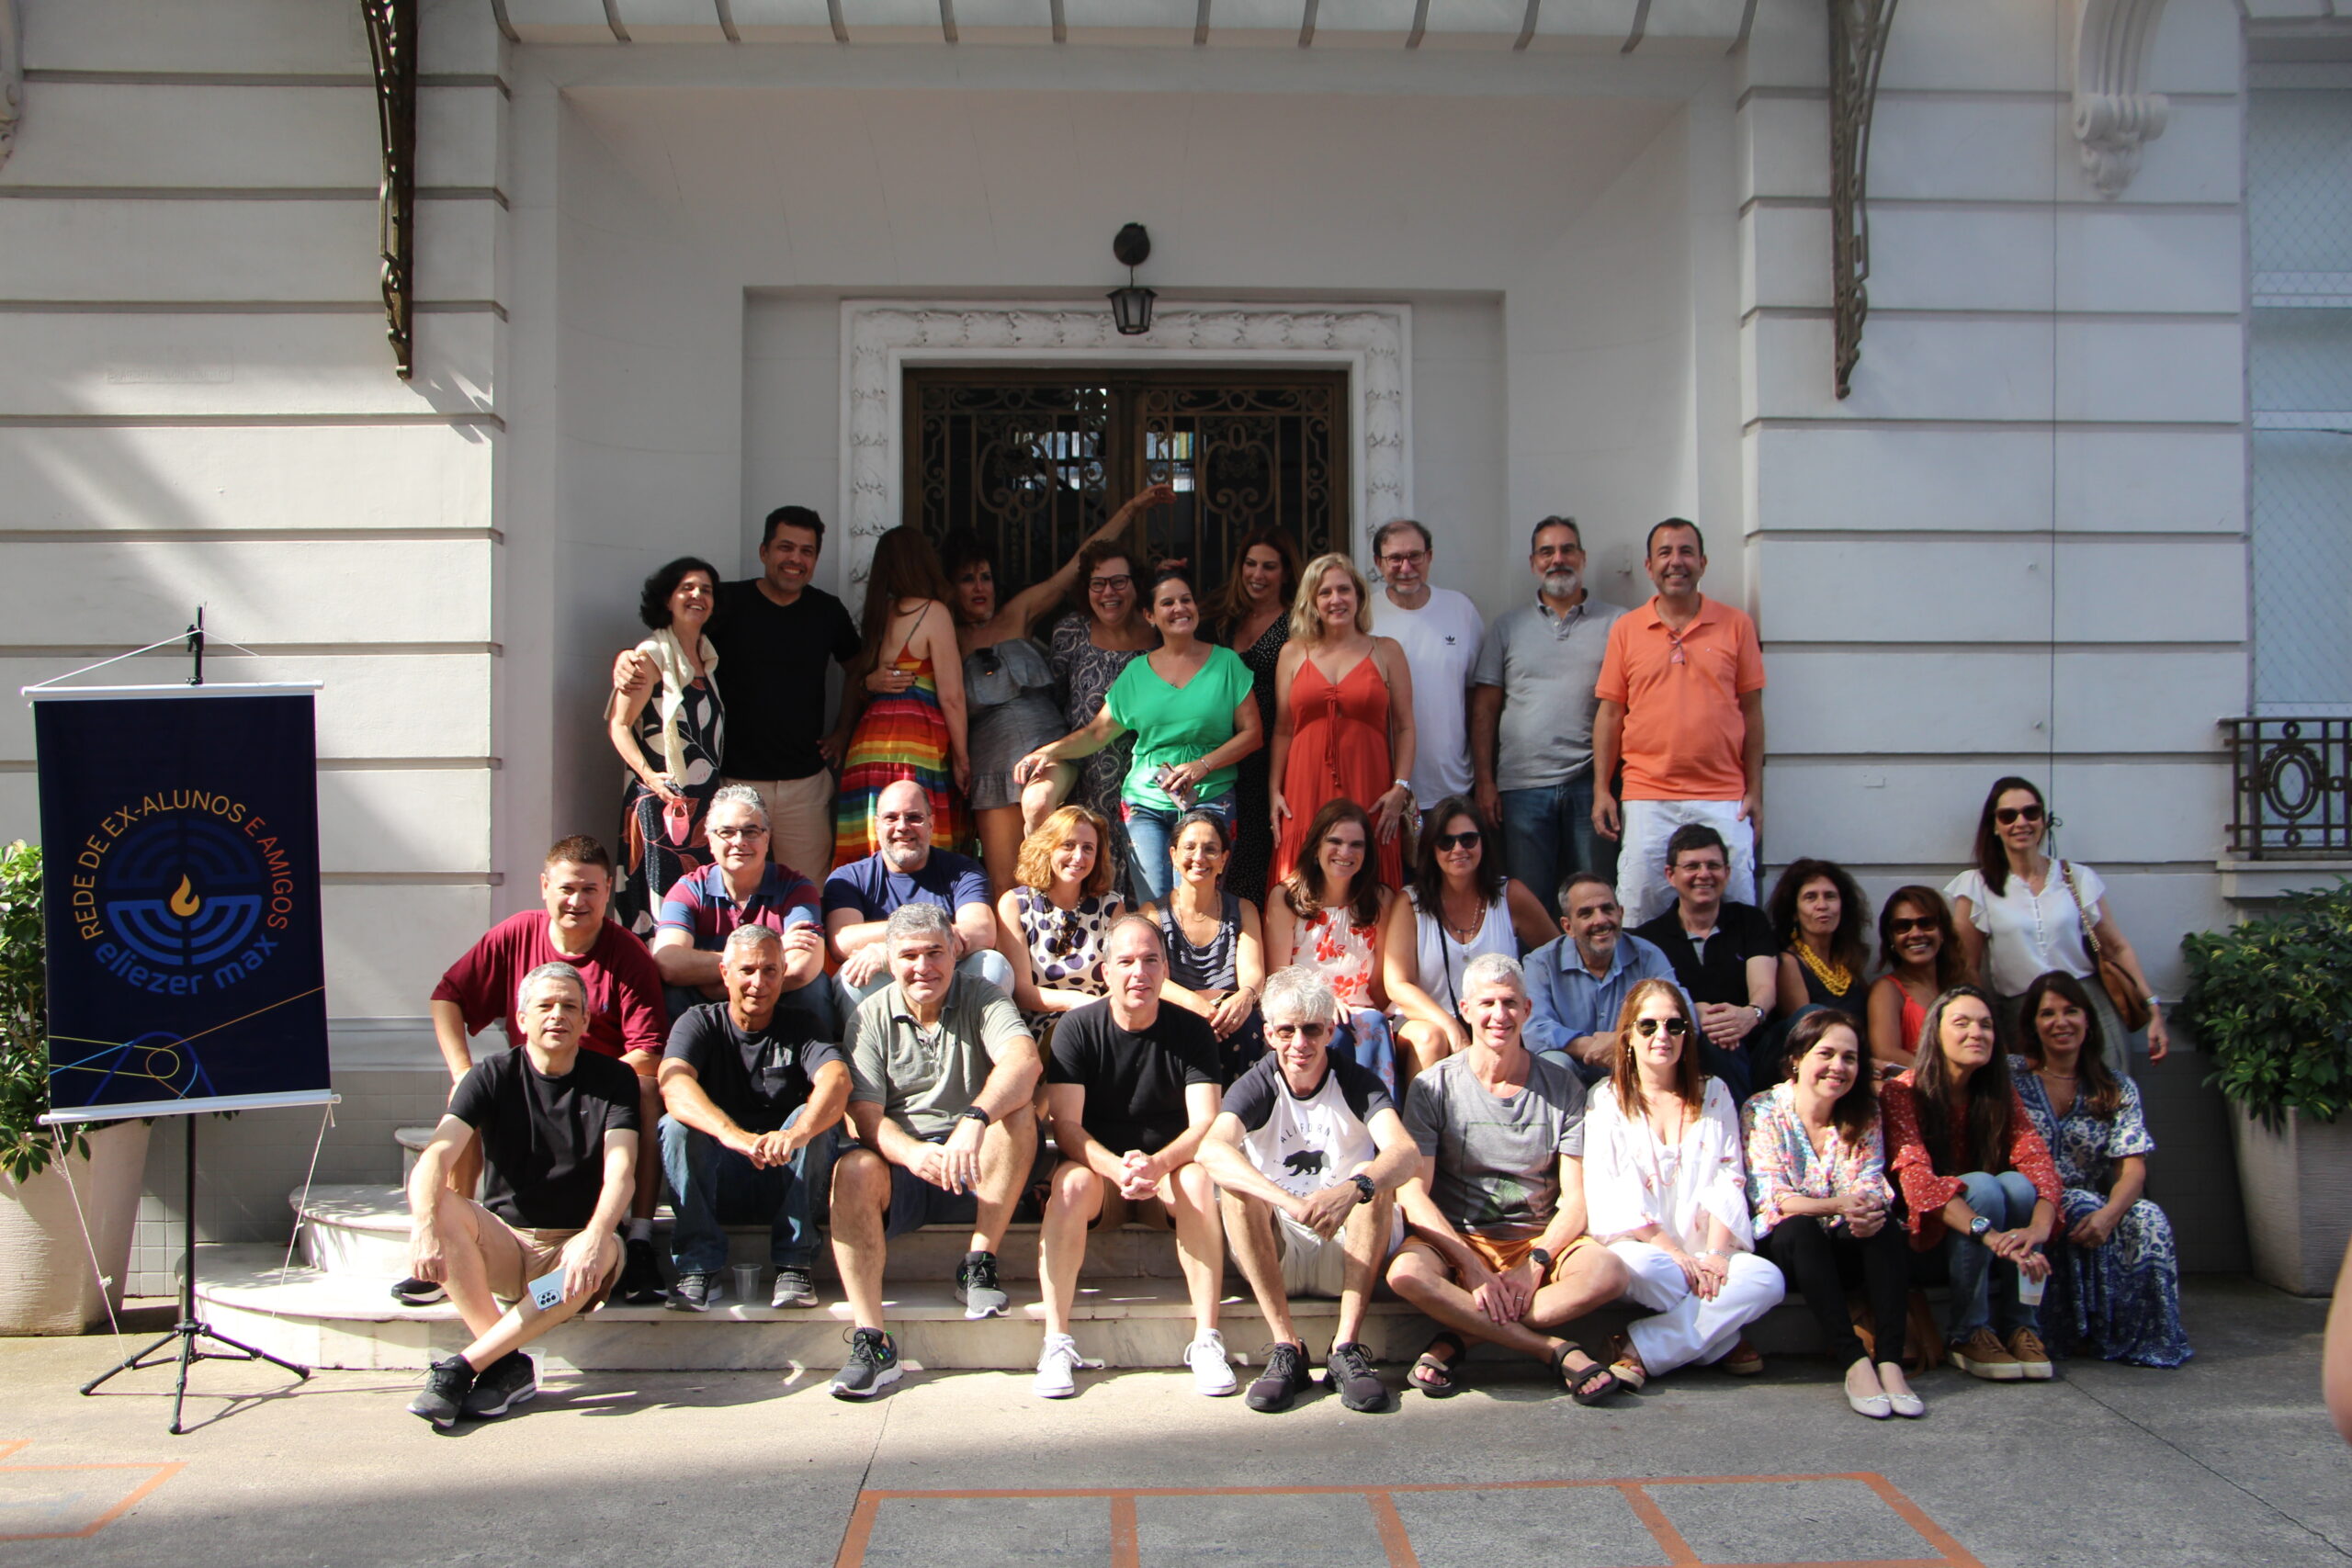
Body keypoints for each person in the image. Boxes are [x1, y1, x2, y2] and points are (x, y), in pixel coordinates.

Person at [420, 836, 667, 1309]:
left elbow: (648, 1051)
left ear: (608, 889)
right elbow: (447, 997)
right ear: (545, 887)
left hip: (599, 1094)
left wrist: (586, 1085)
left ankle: (637, 1240)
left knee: (646, 1091)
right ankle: (455, 1245)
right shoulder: (514, 934)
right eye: (567, 888)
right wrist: (463, 1072)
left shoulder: (628, 953)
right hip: (525, 1085)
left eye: (590, 889)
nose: (578, 901)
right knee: (466, 1097)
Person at [1385, 953, 1629, 1401]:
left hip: (1537, 1239)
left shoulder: (1563, 1087)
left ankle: (1459, 1338)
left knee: (1609, 1273)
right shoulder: (1434, 1086)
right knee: (1405, 1274)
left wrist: (1535, 1264)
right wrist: (1470, 1264)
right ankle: (1551, 1349)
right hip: (1461, 1239)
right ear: (1465, 1009)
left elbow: (1575, 1200)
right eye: (1488, 1003)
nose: (1500, 1015)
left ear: (1527, 1009)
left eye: (1511, 1003)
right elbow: (1414, 1194)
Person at [403, 964, 639, 1427]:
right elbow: (436, 1156)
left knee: (604, 1249)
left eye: (570, 1006)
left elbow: (622, 1171)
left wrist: (595, 1236)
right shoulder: (489, 1075)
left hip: (570, 1253)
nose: (557, 1015)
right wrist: (423, 1227)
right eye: (545, 1006)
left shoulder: (614, 1079)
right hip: (505, 1244)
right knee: (441, 1203)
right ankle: (506, 1365)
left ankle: (465, 1366)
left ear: (586, 1021)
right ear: (522, 1018)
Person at [828, 904, 1043, 1398]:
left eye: (934, 953)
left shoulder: (982, 996)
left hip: (978, 1165)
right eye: (908, 956)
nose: (923, 966)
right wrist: (910, 1153)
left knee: (1018, 1114)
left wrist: (975, 1118)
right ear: (889, 961)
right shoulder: (869, 1016)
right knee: (853, 1169)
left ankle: (978, 1263)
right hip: (906, 1168)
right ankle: (872, 1342)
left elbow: (1024, 1061)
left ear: (954, 952)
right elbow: (863, 1115)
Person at [1195, 966, 1419, 1414]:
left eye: (1312, 1029)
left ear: (1330, 1031)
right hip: (1281, 1246)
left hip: (1348, 1244)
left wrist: (1352, 1189)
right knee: (1237, 1189)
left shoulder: (1357, 1081)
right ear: (1269, 1035)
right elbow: (1210, 1150)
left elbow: (1406, 1152)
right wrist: (1290, 1203)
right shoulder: (1257, 1084)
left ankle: (1346, 1349)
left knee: (1373, 1180)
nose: (1300, 1043)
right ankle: (1287, 1348)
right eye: (1287, 1031)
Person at [1035, 918, 1230, 1399]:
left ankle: (1207, 1339)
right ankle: (1056, 1342)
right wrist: (1116, 1168)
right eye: (1125, 962)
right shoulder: (1076, 1028)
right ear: (1106, 971)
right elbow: (1066, 1126)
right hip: (1102, 1177)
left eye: (1149, 960)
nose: (1138, 972)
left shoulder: (1192, 1031)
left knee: (1198, 1181)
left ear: (1166, 970)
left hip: (1169, 1174)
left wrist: (1158, 1166)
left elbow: (1206, 1123)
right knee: (1069, 1185)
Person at [944, 485, 1171, 892]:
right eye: (967, 580)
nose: (979, 588)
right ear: (950, 588)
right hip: (992, 761)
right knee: (1007, 882)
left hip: (1055, 749)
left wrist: (1132, 509)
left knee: (1060, 841)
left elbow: (1076, 568)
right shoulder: (948, 637)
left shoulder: (1017, 614)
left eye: (986, 577)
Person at [616, 507, 861, 884]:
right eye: (785, 547)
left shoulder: (827, 611)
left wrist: (843, 731)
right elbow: (675, 640)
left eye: (807, 551)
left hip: (805, 786)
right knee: (730, 889)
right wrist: (626, 658)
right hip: (730, 782)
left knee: (808, 891)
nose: (795, 559)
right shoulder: (727, 603)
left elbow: (858, 669)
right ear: (764, 551)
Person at [1015, 565, 1261, 904]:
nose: (1179, 608)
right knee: (1155, 906)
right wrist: (1049, 752)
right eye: (1167, 603)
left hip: (1210, 796)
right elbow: (1097, 733)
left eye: (1186, 600)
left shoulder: (1226, 663)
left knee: (1199, 902)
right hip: (1146, 803)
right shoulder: (1136, 674)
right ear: (1149, 615)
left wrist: (1202, 765)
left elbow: (1253, 734)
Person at [1585, 979, 1786, 1390]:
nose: (1662, 1036)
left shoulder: (1715, 1093)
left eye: (1674, 1026)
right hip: (1647, 1250)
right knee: (1640, 1268)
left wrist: (1716, 1255)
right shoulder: (1605, 1099)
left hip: (1707, 1248)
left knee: (1767, 1279)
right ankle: (1721, 1341)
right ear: (1628, 1037)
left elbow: (1729, 1177)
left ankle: (1638, 1347)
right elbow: (1612, 1190)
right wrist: (1675, 1254)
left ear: (1687, 1035)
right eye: (1648, 1026)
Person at [657, 926, 850, 1312]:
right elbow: (672, 1083)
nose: (758, 983)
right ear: (725, 973)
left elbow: (837, 1080)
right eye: (747, 970)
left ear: (783, 973)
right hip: (720, 1175)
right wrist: (732, 1135)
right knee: (675, 1126)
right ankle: (698, 1266)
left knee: (813, 1118)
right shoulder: (698, 1022)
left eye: (770, 971)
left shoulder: (802, 1025)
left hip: (788, 1175)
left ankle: (794, 1264)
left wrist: (798, 1132)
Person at [1743, 1010, 1922, 1418]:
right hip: (1790, 1250)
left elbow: (1870, 1180)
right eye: (1826, 1054)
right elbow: (1773, 1197)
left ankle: (1890, 1363)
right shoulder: (1763, 1109)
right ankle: (1855, 1362)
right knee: (1800, 1229)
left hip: (1842, 1243)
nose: (1838, 1067)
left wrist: (1866, 1210)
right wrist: (1840, 1205)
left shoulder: (1865, 1112)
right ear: (1797, 1059)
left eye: (1850, 1058)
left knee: (1882, 1227)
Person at [1882, 986, 2063, 1382]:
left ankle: (2022, 1328)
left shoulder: (1998, 1092)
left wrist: (2037, 1228)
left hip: (1995, 1237)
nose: (1976, 1033)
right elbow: (1917, 1183)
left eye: (1985, 1025)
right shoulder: (1903, 1091)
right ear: (1935, 1033)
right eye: (1961, 1023)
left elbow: (2038, 1161)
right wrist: (1990, 1235)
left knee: (2020, 1186)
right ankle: (1967, 1332)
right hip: (1928, 1238)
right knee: (1981, 1185)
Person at [1591, 519, 1766, 927]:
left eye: (1686, 552)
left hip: (1723, 796)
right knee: (1638, 912)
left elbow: (1752, 712)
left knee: (1737, 911)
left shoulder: (1736, 625)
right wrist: (1602, 789)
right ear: (1649, 566)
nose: (1676, 562)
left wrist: (1756, 789)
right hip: (1648, 795)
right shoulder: (1627, 629)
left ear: (1703, 563)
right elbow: (1610, 714)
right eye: (1665, 553)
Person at [2013, 970, 2189, 1367]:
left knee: (2148, 1217)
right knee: (2079, 1205)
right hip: (2028, 1198)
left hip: (2092, 1199)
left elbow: (2132, 1168)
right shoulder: (2012, 1078)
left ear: (2088, 1020)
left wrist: (2111, 1215)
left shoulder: (2116, 1087)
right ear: (2033, 1024)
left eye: (2071, 1011)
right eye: (2048, 1013)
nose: (2061, 1022)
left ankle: (2142, 1334)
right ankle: (2076, 1330)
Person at [1945, 775, 2171, 1065]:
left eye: (2031, 812)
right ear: (1995, 826)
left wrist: (2152, 1007)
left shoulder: (2076, 877)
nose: (2021, 822)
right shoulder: (1977, 886)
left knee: (2106, 1088)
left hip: (2085, 1006)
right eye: (2008, 816)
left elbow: (2115, 947)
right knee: (2034, 1092)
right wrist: (1986, 1024)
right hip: (2022, 1012)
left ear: (2043, 820)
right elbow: (1967, 967)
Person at [1471, 516, 1625, 916]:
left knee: (1595, 899)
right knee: (1529, 904)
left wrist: (1606, 786)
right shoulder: (1508, 627)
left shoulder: (1618, 624)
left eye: (1567, 549)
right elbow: (1485, 709)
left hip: (1591, 785)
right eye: (1547, 551)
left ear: (1583, 557)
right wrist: (1485, 782)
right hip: (1522, 788)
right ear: (1533, 562)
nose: (1558, 559)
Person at [1381, 795, 1555, 1081]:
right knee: (1430, 1039)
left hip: (1497, 1018)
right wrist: (1451, 1026)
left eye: (1468, 839)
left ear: (1483, 843)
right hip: (1428, 1019)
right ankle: (1423, 1112)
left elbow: (1555, 956)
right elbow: (1397, 984)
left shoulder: (1510, 895)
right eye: (1446, 842)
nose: (1458, 849)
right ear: (1432, 849)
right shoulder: (1410, 903)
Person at [1269, 553, 1415, 889]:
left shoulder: (1386, 651)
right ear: (1312, 602)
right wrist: (1274, 791)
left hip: (1369, 783)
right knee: (1302, 881)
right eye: (1325, 592)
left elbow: (1404, 726)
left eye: (1344, 590)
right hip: (1304, 787)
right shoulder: (1293, 652)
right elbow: (1283, 730)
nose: (1336, 599)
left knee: (1367, 875)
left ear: (1359, 596)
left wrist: (1400, 787)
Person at [832, 525, 969, 867]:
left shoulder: (879, 614)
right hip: (914, 746)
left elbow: (861, 679)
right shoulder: (933, 612)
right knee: (916, 845)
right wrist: (962, 757)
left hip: (866, 748)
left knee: (872, 855)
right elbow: (952, 696)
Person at [608, 556, 727, 938]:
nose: (697, 596)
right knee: (661, 908)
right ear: (667, 599)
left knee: (697, 904)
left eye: (706, 590)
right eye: (687, 588)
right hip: (662, 803)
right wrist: (650, 778)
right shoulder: (650, 656)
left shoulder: (707, 658)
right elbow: (619, 725)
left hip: (700, 804)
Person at [650, 784, 827, 1030]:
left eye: (751, 831)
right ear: (710, 840)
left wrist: (717, 982)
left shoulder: (796, 888)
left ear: (767, 838)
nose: (739, 841)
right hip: (708, 1018)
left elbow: (801, 967)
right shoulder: (688, 890)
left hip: (775, 1009)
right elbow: (669, 962)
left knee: (814, 989)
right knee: (672, 991)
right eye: (727, 832)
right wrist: (762, 958)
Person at [825, 779, 1014, 1007]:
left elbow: (981, 931)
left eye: (914, 817)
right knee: (851, 978)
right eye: (891, 818)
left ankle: (970, 1031)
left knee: (992, 964)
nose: (902, 826)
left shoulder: (963, 871)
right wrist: (937, 935)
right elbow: (842, 942)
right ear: (877, 825)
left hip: (948, 977)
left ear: (931, 824)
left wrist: (888, 949)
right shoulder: (849, 877)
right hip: (887, 981)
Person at [1630, 824, 1779, 1100]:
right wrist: (1692, 1011)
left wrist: (1750, 1014)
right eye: (1692, 866)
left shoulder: (1750, 920)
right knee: (1718, 1039)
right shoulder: (1649, 938)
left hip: (1757, 1042)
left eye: (1713, 865)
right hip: (1687, 1048)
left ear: (1727, 872)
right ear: (1670, 875)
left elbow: (1765, 987)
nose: (1704, 874)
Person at [1047, 536, 1160, 897]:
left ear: (1136, 585)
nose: (1108, 592)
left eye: (1118, 582)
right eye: (1098, 583)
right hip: (1085, 779)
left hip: (1146, 784)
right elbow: (1056, 701)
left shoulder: (1159, 635)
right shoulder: (1071, 633)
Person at [1265, 798, 1398, 1094]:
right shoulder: (1286, 898)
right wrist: (1324, 1003)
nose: (1345, 852)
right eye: (1335, 842)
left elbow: (1381, 982)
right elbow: (1279, 979)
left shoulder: (1381, 901)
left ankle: (1380, 1120)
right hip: (1304, 1012)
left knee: (1373, 1023)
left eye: (1356, 845)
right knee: (1332, 1034)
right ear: (1316, 848)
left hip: (1364, 1015)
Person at [1523, 871, 1689, 1085]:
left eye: (1607, 909)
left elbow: (1684, 1013)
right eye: (1586, 914)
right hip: (1571, 1077)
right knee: (1553, 1062)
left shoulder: (1648, 956)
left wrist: (1626, 1041)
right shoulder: (1541, 963)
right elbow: (1534, 1029)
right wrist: (1591, 1046)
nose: (1600, 920)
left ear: (1620, 913)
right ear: (1568, 926)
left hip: (1633, 1073)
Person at [1367, 519, 1482, 816]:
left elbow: (1476, 696)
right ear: (1378, 562)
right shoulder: (1364, 615)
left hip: (1452, 786)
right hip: (1384, 789)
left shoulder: (1461, 609)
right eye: (1395, 558)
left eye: (1414, 556)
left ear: (1429, 556)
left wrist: (1485, 779)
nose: (1406, 567)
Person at [1146, 807, 1269, 1083]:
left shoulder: (1243, 910)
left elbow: (1253, 972)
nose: (1199, 858)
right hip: (1177, 1015)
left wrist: (1245, 996)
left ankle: (1239, 1108)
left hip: (1229, 1021)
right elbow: (1154, 979)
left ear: (1224, 859)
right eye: (1189, 848)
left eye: (1210, 849)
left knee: (1246, 1023)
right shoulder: (1153, 914)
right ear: (1174, 856)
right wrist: (1198, 1008)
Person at [1213, 527, 1303, 903]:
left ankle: (1258, 927)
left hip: (1271, 751)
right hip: (1225, 750)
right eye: (1250, 564)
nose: (1257, 574)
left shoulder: (1297, 623)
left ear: (1286, 571)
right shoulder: (1225, 617)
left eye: (1269, 566)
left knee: (1260, 847)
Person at [993, 805, 1125, 1038]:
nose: (1078, 856)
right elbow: (1022, 991)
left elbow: (1120, 980)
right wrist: (1078, 1004)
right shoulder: (1015, 904)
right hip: (1041, 1027)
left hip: (1100, 1023)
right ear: (1048, 847)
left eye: (1088, 848)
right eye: (1068, 845)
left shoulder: (1111, 906)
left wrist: (1095, 1014)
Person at [1865, 886, 1969, 1075]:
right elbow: (1886, 1052)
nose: (1915, 933)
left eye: (1926, 923)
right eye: (1903, 926)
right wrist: (1945, 1075)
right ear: (1891, 938)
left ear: (1943, 931)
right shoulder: (1886, 990)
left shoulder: (1962, 985)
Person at [1768, 858, 1871, 1023]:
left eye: (1830, 896)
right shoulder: (1789, 964)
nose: (1822, 905)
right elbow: (1805, 1031)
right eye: (1810, 897)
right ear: (1794, 913)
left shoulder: (1845, 961)